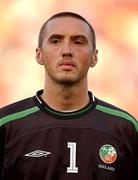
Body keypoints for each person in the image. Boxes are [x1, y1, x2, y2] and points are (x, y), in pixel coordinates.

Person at [0, 12, 137, 180]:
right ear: (39, 54)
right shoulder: (6, 125)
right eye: (55, 41)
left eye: (78, 42)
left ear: (94, 57)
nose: (66, 51)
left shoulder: (125, 128)